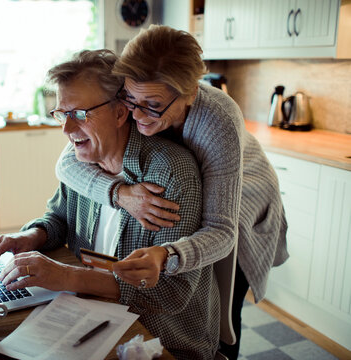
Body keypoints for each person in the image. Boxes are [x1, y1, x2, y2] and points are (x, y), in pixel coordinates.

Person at [55, 25, 289, 359]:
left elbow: (222, 230)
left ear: (190, 93)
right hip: (193, 188)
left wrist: (168, 255)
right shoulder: (136, 100)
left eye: (152, 105)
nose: (135, 115)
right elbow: (66, 164)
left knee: (223, 315)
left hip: (244, 204)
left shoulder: (216, 122)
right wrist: (120, 193)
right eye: (130, 101)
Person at [0, 49, 220, 360]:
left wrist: (66, 277)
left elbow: (172, 292)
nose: (66, 129)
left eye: (79, 114)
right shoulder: (81, 162)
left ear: (120, 112)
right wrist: (27, 238)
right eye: (62, 114)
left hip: (160, 338)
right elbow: (59, 219)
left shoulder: (170, 173)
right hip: (93, 317)